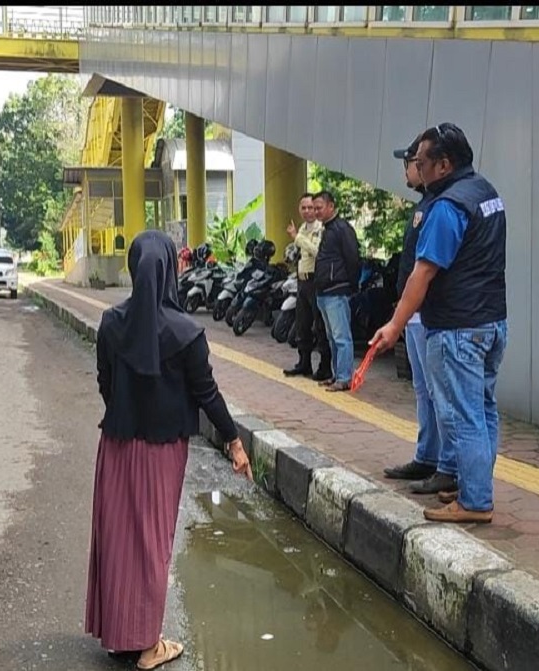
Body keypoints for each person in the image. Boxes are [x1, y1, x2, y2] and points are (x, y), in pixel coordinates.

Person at [86, 229, 252, 669]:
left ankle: (120, 632)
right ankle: (147, 646)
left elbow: (105, 383)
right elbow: (207, 394)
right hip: (162, 454)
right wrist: (234, 442)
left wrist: (125, 412)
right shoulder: (187, 332)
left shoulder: (111, 324)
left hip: (117, 446)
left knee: (118, 538)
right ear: (171, 271)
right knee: (153, 541)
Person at [370, 123, 507, 524]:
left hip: (458, 328)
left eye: (421, 162)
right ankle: (471, 485)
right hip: (491, 322)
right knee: (483, 411)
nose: (416, 168)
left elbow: (422, 274)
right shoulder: (486, 193)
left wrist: (395, 325)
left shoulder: (448, 206)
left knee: (464, 415)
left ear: (444, 165)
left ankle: (475, 502)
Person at [381, 137, 456, 497]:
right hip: (411, 314)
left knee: (440, 393)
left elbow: (428, 269)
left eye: (413, 161)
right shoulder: (423, 205)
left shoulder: (442, 206)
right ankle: (427, 455)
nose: (409, 169)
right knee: (423, 389)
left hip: (427, 314)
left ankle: (447, 465)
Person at [311, 190, 360, 392]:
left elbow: (353, 259)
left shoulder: (341, 229)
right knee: (332, 337)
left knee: (342, 337)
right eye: (314, 208)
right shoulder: (327, 230)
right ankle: (336, 374)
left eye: (319, 208)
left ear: (331, 206)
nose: (316, 212)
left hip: (336, 291)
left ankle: (344, 377)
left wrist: (351, 284)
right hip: (323, 292)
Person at [283, 192, 332, 381]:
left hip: (315, 280)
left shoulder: (320, 229)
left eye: (310, 207)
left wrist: (297, 237)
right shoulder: (302, 228)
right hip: (301, 281)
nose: (307, 211)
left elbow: (317, 251)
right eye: (303, 208)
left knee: (319, 325)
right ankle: (304, 363)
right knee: (302, 324)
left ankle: (325, 366)